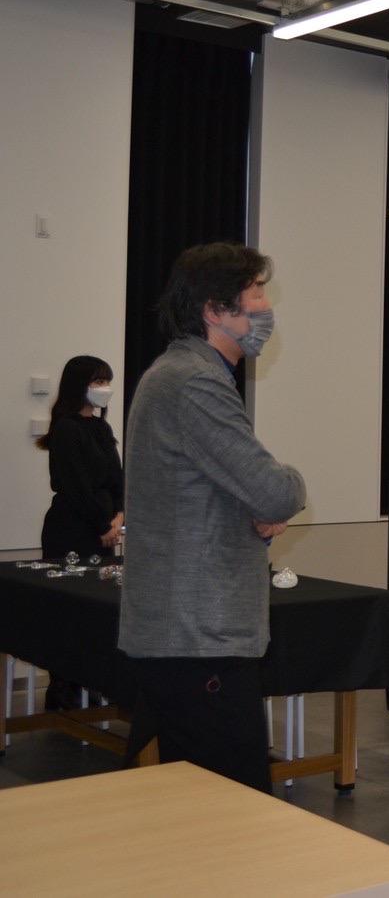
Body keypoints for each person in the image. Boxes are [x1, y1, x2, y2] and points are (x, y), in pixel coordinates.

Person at [119, 242, 307, 793]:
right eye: (257, 294)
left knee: (200, 804)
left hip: (188, 634)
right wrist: (286, 487)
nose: (266, 307)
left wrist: (257, 502)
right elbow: (273, 492)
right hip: (199, 636)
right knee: (233, 806)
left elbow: (227, 488)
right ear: (215, 309)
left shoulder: (180, 374)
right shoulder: (194, 382)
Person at [36, 354, 124, 709]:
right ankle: (64, 688)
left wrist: (118, 516)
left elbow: (117, 479)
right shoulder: (66, 429)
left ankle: (94, 682)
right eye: (98, 381)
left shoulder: (101, 428)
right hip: (72, 529)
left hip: (104, 528)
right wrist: (103, 525)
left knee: (98, 609)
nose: (105, 388)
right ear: (80, 386)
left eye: (106, 381)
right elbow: (76, 486)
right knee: (69, 610)